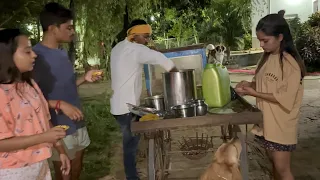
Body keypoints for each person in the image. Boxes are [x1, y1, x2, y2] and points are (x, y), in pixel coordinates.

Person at [32, 3, 103, 180]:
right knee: (64, 172)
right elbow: (30, 99)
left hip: (77, 122)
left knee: (77, 168)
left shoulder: (62, 52)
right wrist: (59, 105)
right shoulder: (35, 57)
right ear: (52, 28)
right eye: (68, 27)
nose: (73, 32)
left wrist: (84, 78)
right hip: (57, 126)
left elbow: (66, 86)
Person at [235, 12, 306, 180]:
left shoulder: (289, 63)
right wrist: (248, 85)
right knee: (274, 166)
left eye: (265, 40)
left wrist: (254, 93)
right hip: (267, 123)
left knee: (283, 170)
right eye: (260, 40)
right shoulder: (267, 58)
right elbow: (264, 85)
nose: (261, 44)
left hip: (281, 125)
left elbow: (285, 97)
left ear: (280, 37)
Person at [110, 19, 177, 180]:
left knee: (131, 143)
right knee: (130, 146)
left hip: (118, 106)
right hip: (127, 108)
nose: (147, 40)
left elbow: (143, 55)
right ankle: (132, 177)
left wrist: (147, 49)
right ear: (134, 35)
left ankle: (131, 173)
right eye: (145, 36)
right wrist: (177, 73)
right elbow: (161, 59)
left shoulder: (119, 47)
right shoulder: (135, 50)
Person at [0, 28, 70, 179]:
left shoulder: (29, 84)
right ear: (6, 56)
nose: (34, 55)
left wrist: (61, 150)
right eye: (27, 52)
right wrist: (44, 138)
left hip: (39, 165)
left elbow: (45, 120)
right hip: (12, 172)